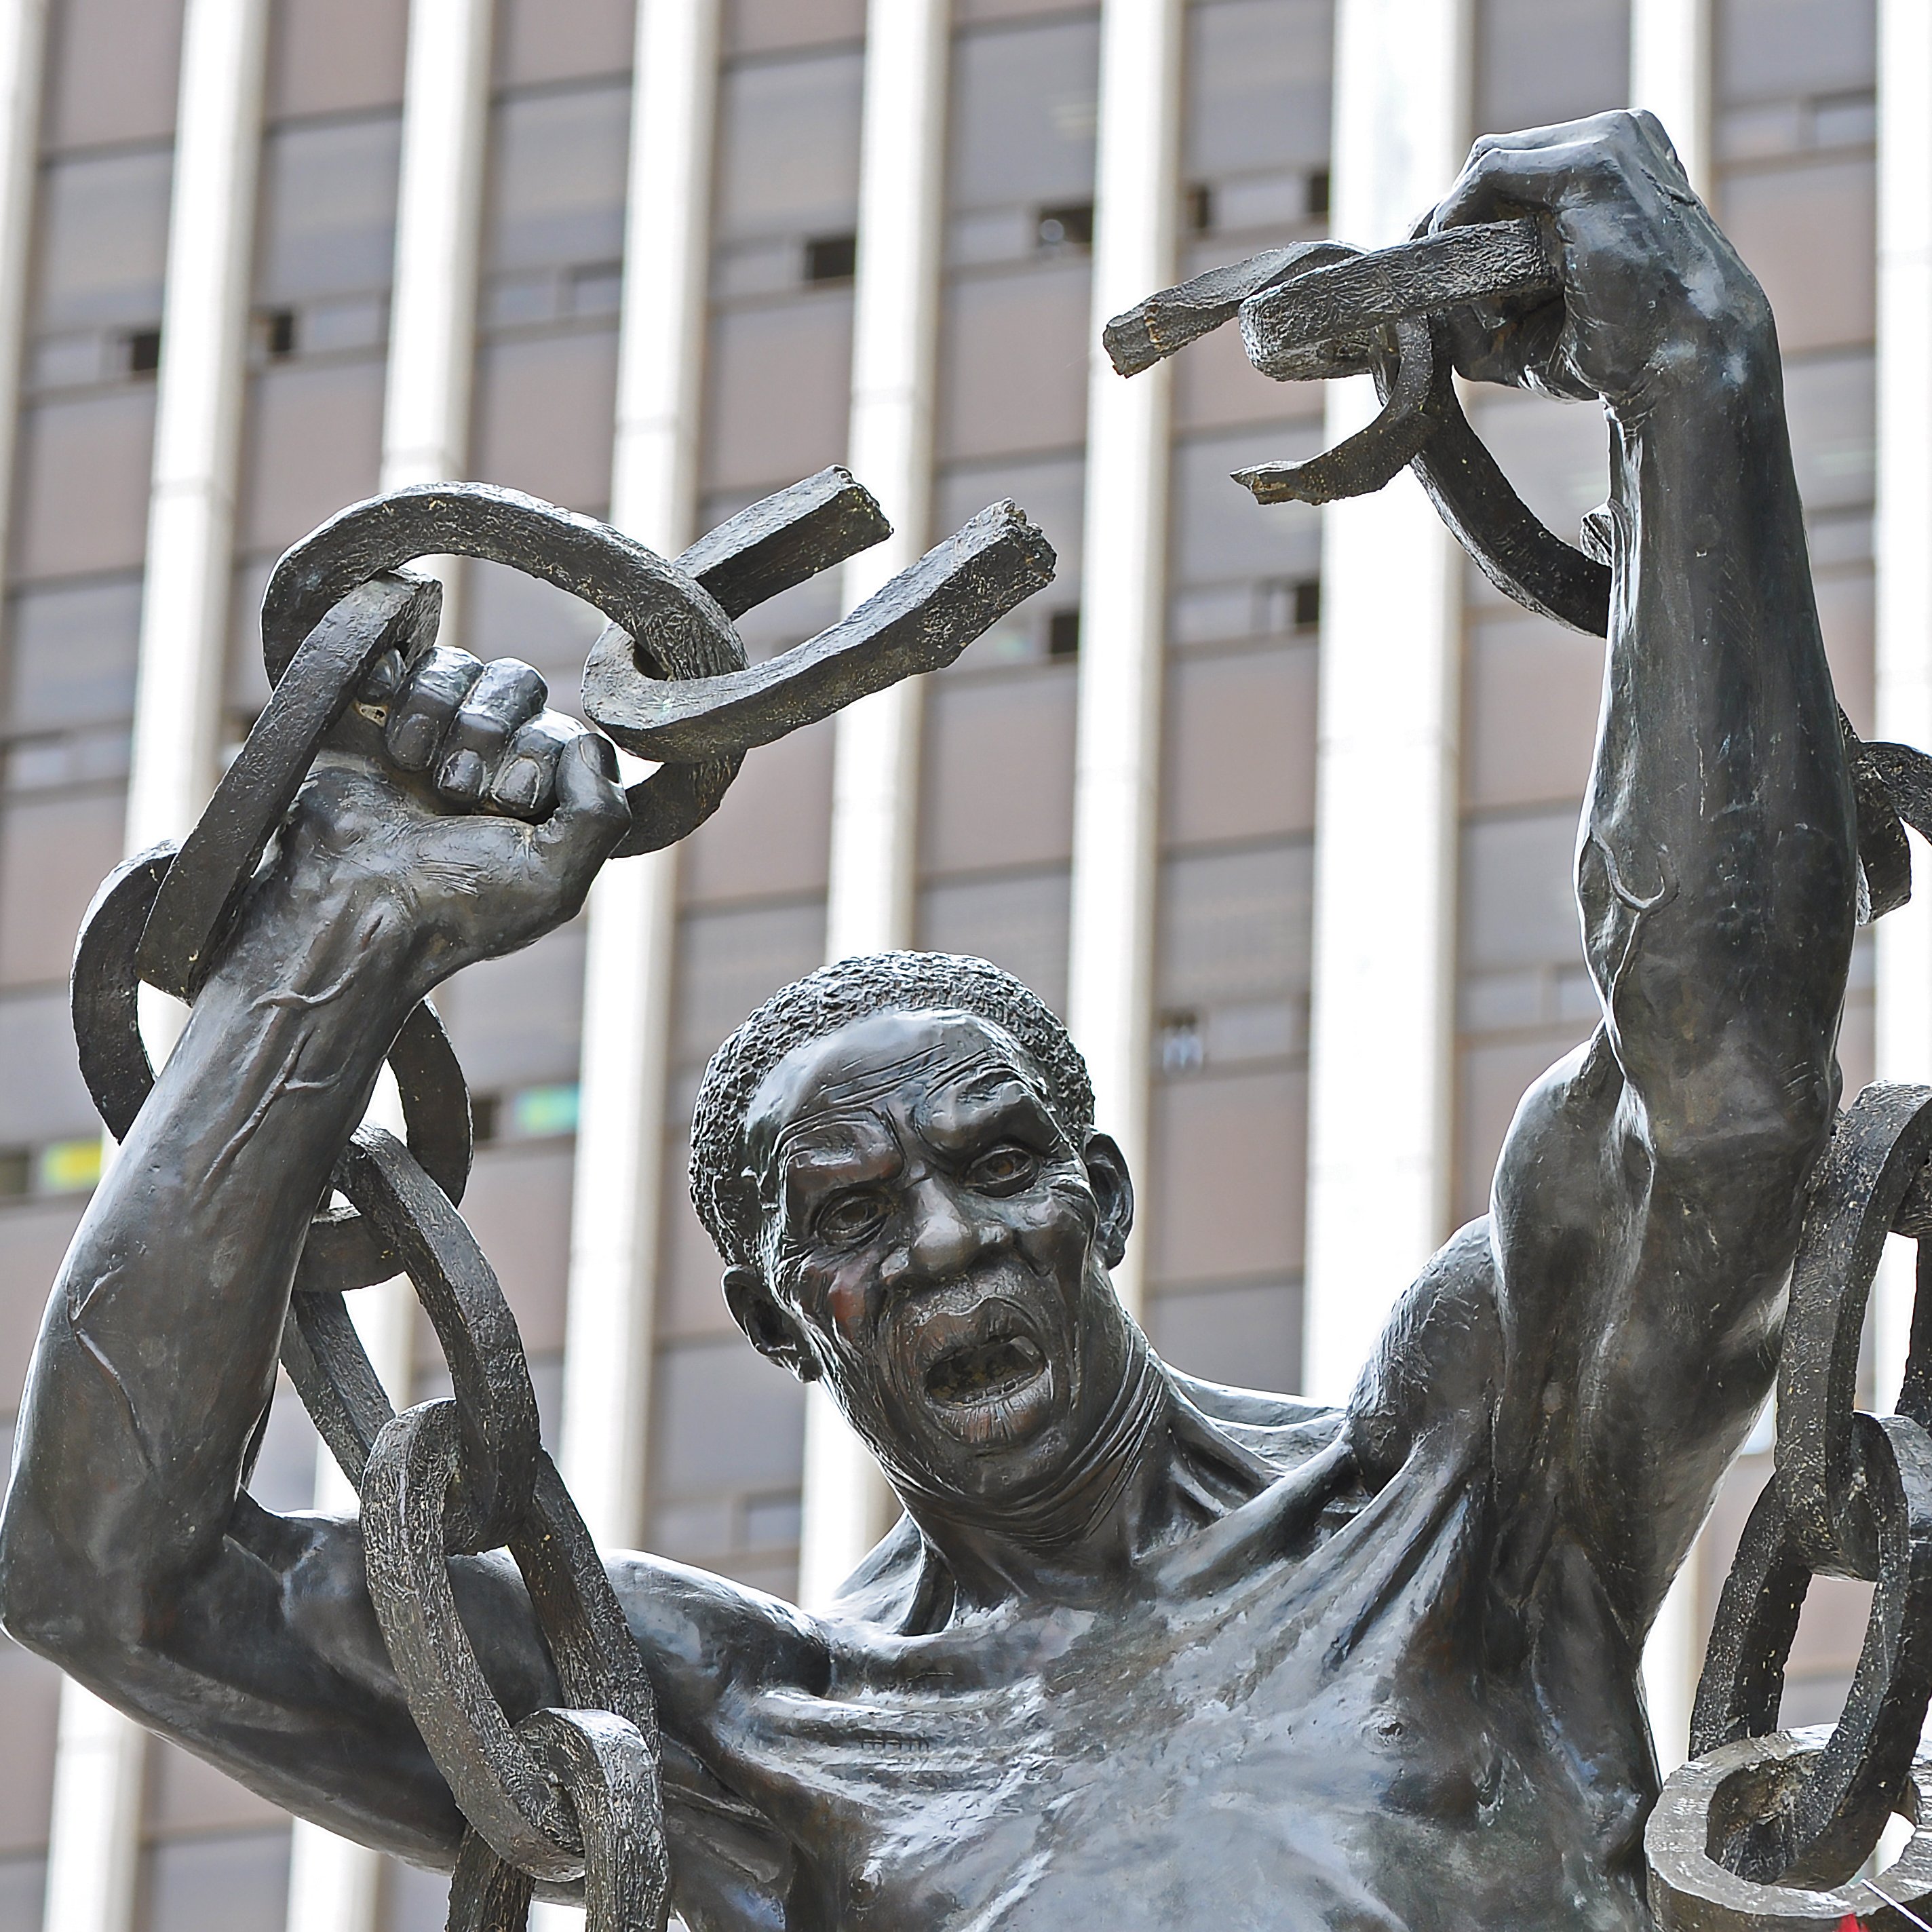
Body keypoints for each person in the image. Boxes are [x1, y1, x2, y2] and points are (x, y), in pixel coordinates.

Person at [0, 112, 1857, 1929]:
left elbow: (1722, 1090)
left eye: (994, 1166)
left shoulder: (1454, 1498)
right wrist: (335, 937)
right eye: (859, 1215)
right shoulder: (755, 1734)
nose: (951, 1238)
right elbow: (114, 1584)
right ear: (776, 1320)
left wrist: (1698, 391)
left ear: (1104, 1198)